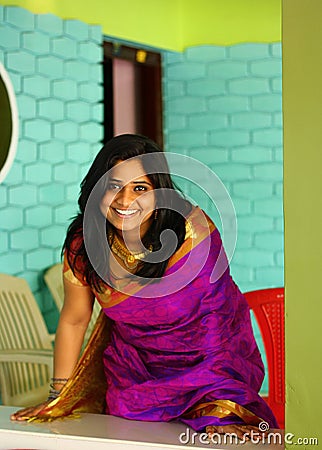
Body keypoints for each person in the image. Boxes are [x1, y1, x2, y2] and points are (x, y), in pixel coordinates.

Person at [11, 134, 278, 438]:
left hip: (205, 374)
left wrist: (222, 403)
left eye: (140, 188)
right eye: (114, 187)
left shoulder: (191, 234)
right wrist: (58, 397)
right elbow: (74, 319)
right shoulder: (84, 242)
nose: (125, 201)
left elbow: (215, 323)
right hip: (133, 381)